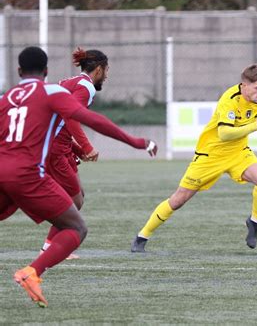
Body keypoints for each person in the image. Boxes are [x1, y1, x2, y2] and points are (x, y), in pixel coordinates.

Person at [0, 46, 158, 307]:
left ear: (18, 71)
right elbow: (92, 120)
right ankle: (32, 272)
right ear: (47, 71)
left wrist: (74, 147)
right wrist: (136, 141)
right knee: (76, 227)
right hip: (27, 175)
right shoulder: (51, 91)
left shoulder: (6, 98)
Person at [131, 63, 257, 252]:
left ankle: (254, 222)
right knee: (178, 200)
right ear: (244, 85)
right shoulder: (229, 100)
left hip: (238, 152)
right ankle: (142, 237)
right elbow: (224, 133)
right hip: (210, 155)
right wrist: (255, 126)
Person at [40, 47, 109, 260]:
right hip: (54, 148)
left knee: (78, 195)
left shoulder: (72, 82)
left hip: (59, 144)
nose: (107, 76)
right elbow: (71, 117)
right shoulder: (86, 86)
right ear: (98, 69)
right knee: (73, 199)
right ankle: (50, 247)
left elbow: (60, 119)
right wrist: (87, 146)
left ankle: (52, 244)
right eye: (106, 70)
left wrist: (77, 148)